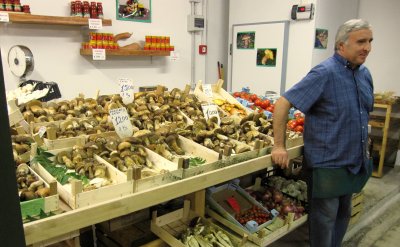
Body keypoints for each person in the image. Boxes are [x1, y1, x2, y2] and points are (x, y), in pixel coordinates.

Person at [271, 19, 374, 247]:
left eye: (369, 41)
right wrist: (279, 145)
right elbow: (282, 104)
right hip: (328, 165)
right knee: (324, 221)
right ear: (341, 45)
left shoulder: (364, 74)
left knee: (343, 215)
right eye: (361, 42)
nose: (367, 47)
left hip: (354, 161)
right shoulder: (324, 73)